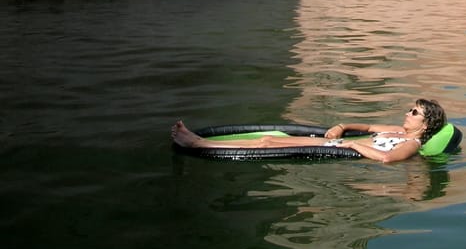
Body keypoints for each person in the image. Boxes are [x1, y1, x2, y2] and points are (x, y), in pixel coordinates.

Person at [171, 98, 447, 163]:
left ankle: (196, 144)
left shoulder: (412, 144)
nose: (407, 113)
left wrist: (352, 146)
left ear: (426, 123)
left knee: (267, 146)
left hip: (338, 151)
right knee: (268, 138)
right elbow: (366, 126)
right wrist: (343, 126)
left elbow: (387, 159)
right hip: (334, 144)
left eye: (414, 112)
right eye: (410, 108)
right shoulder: (397, 130)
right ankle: (203, 139)